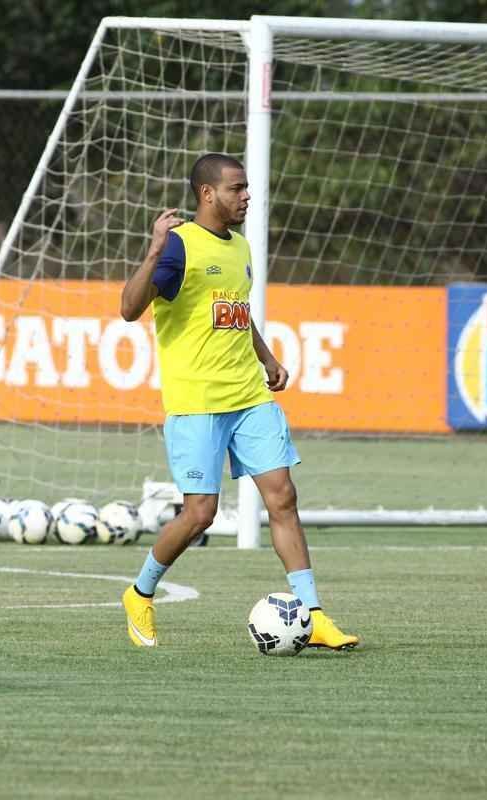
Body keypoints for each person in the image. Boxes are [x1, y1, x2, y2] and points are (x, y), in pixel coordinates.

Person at [118, 152, 358, 650]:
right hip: (197, 402)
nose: (246, 196)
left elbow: (236, 313)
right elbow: (128, 309)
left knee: (283, 497)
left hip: (248, 395)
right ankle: (140, 593)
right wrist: (152, 251)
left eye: (246, 188)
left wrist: (267, 358)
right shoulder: (178, 248)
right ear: (207, 194)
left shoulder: (242, 247)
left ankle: (313, 618)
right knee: (200, 514)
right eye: (236, 188)